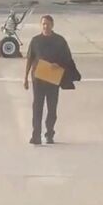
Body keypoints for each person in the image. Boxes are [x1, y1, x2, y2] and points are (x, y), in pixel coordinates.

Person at [23, 15, 76, 145]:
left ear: (52, 25)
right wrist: (25, 77)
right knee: (37, 107)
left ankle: (50, 133)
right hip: (38, 78)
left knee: (52, 107)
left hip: (53, 78)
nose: (45, 26)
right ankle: (36, 135)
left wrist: (58, 64)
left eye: (47, 24)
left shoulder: (59, 40)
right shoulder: (35, 40)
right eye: (43, 24)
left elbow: (67, 58)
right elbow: (30, 59)